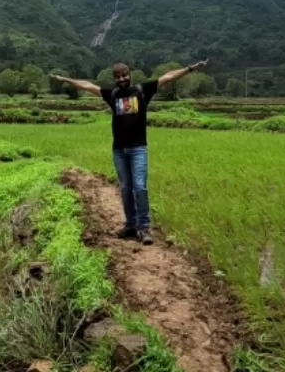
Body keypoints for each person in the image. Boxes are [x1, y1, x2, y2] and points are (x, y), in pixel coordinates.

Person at [52, 60, 209, 243]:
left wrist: (191, 68)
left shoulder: (142, 90)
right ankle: (130, 225)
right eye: (118, 77)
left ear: (130, 75)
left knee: (140, 186)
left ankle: (143, 227)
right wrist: (65, 79)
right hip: (119, 150)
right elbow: (88, 86)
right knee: (126, 188)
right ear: (114, 79)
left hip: (138, 148)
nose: (122, 79)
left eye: (124, 75)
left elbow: (167, 77)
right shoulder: (113, 94)